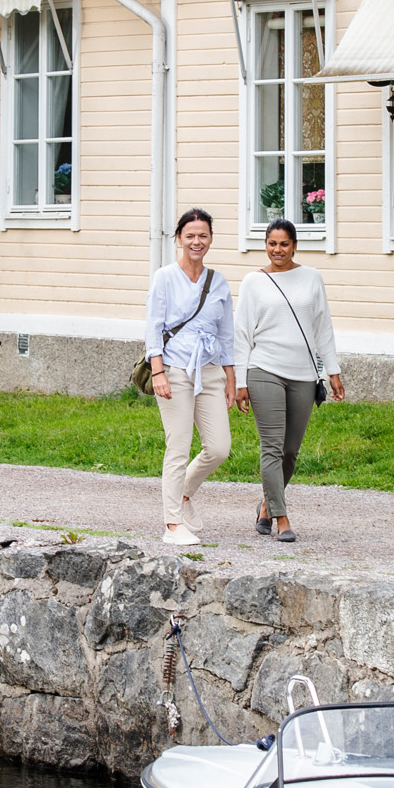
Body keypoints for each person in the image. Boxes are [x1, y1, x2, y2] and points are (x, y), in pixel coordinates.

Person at [231, 218, 345, 541]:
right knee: (272, 447)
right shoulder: (253, 282)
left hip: (303, 376)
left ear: (294, 245)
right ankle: (282, 519)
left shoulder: (311, 278)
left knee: (290, 452)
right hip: (264, 369)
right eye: (271, 243)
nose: (277, 250)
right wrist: (241, 381)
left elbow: (323, 327)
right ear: (264, 245)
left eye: (283, 244)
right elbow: (242, 335)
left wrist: (332, 371)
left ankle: (266, 505)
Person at [145, 208, 237, 546]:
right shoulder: (165, 277)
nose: (196, 241)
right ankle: (172, 524)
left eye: (203, 235)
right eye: (190, 236)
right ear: (179, 239)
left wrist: (231, 378)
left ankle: (182, 496)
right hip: (174, 369)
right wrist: (158, 371)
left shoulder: (219, 282)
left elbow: (226, 333)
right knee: (178, 446)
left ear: (211, 238)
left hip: (210, 371)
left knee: (219, 448)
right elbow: (153, 327)